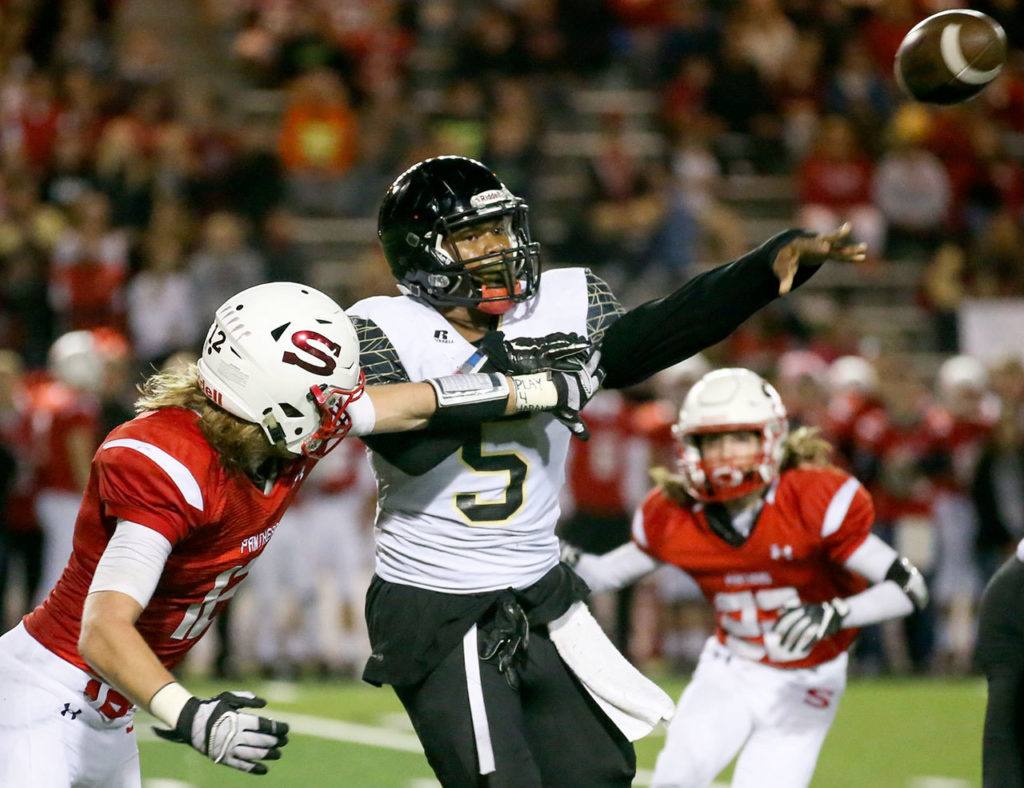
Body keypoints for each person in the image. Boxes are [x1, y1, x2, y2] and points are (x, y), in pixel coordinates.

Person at [349, 155, 867, 786]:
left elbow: (658, 332)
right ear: (422, 256)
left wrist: (760, 271)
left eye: (503, 229)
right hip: (437, 602)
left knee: (597, 773)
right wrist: (530, 382)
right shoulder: (379, 327)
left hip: (538, 589)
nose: (499, 248)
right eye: (474, 236)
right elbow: (412, 443)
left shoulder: (563, 302)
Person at [0, 280, 597, 787]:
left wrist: (534, 389)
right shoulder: (168, 460)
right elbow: (101, 630)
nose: (336, 410)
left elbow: (407, 404)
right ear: (269, 394)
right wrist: (193, 716)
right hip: (40, 699)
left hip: (108, 712)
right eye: (321, 396)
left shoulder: (271, 432)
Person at [566, 368, 928, 788]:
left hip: (809, 677)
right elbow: (604, 573)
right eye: (711, 440)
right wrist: (553, 555)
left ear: (769, 438)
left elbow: (908, 586)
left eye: (739, 437)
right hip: (730, 666)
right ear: (690, 446)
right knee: (675, 779)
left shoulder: (811, 497)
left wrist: (836, 613)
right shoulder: (675, 514)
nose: (724, 454)